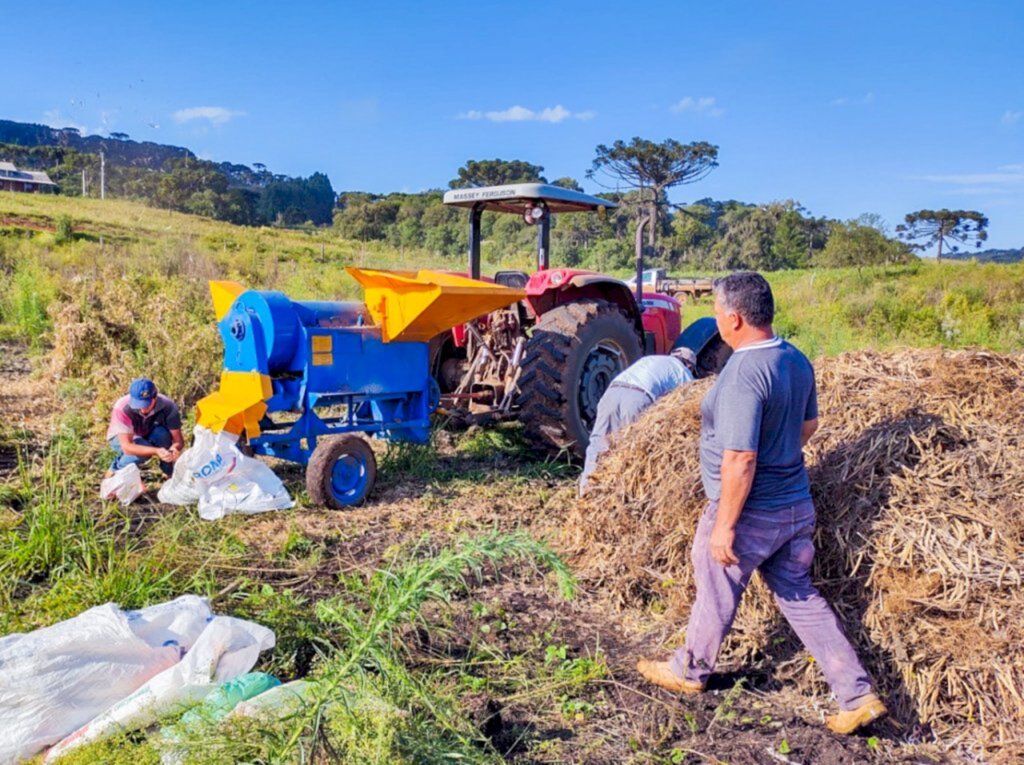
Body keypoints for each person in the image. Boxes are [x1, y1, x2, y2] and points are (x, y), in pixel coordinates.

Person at [635, 272, 887, 735]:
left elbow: (740, 458)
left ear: (732, 318)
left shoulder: (743, 374)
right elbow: (807, 427)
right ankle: (856, 694)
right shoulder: (794, 358)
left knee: (714, 582)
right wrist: (780, 454)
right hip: (795, 505)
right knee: (799, 595)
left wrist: (726, 525)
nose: (714, 321)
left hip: (751, 510)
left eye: (714, 313)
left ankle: (689, 670)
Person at [578, 347, 696, 496]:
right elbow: (686, 408)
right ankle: (623, 496)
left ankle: (586, 491)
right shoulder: (683, 372)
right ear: (690, 365)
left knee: (598, 443)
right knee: (633, 450)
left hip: (611, 393)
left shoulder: (650, 359)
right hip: (637, 398)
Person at [106, 378, 184, 478]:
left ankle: (169, 473)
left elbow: (179, 440)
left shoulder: (168, 407)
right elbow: (127, 447)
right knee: (142, 452)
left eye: (146, 404)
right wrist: (156, 451)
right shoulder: (122, 408)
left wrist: (174, 449)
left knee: (163, 435)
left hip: (147, 431)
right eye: (138, 404)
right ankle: (114, 470)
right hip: (120, 437)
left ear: (155, 397)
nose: (142, 409)